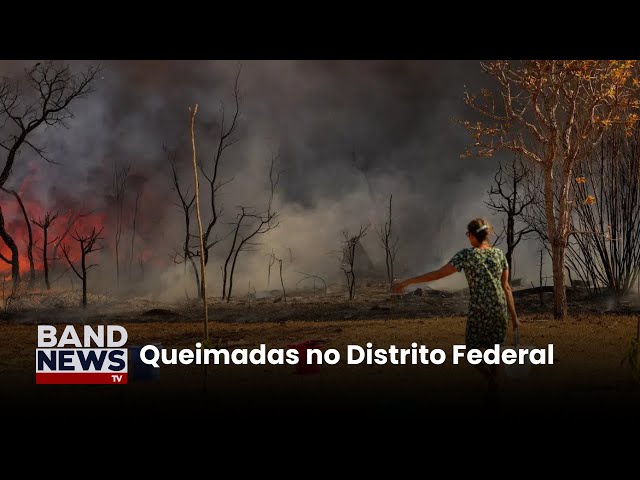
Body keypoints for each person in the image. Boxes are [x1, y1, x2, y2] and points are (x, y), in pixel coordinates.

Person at [392, 218, 519, 394]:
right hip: (499, 307)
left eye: (468, 234)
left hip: (479, 309)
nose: (468, 238)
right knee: (495, 349)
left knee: (471, 351)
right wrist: (514, 317)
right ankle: (494, 388)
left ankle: (492, 381)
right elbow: (506, 287)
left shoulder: (466, 255)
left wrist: (409, 282)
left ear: (473, 235)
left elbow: (438, 274)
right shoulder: (499, 254)